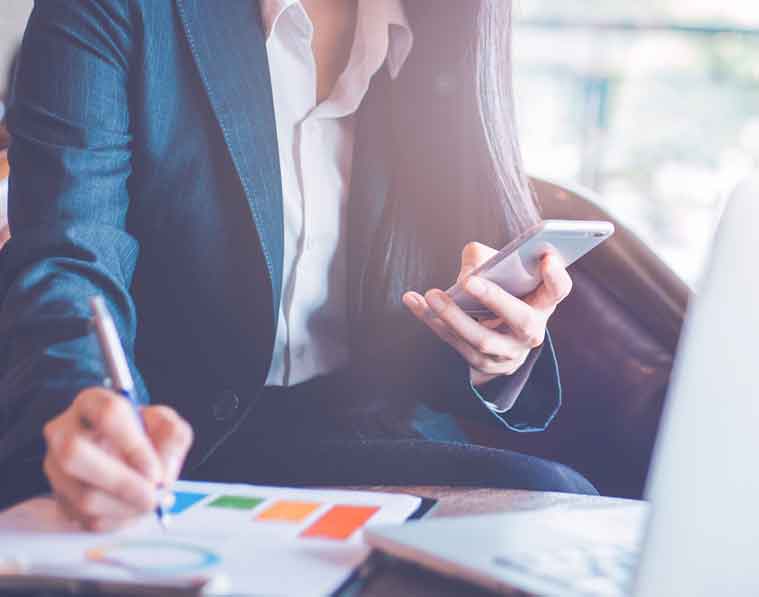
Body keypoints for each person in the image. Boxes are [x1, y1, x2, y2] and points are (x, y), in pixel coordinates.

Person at [0, 0, 595, 530]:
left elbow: (440, 307)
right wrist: (85, 404)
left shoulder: (446, 30)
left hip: (372, 445)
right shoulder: (113, 10)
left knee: (560, 511)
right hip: (163, 444)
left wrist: (497, 353)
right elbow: (70, 256)